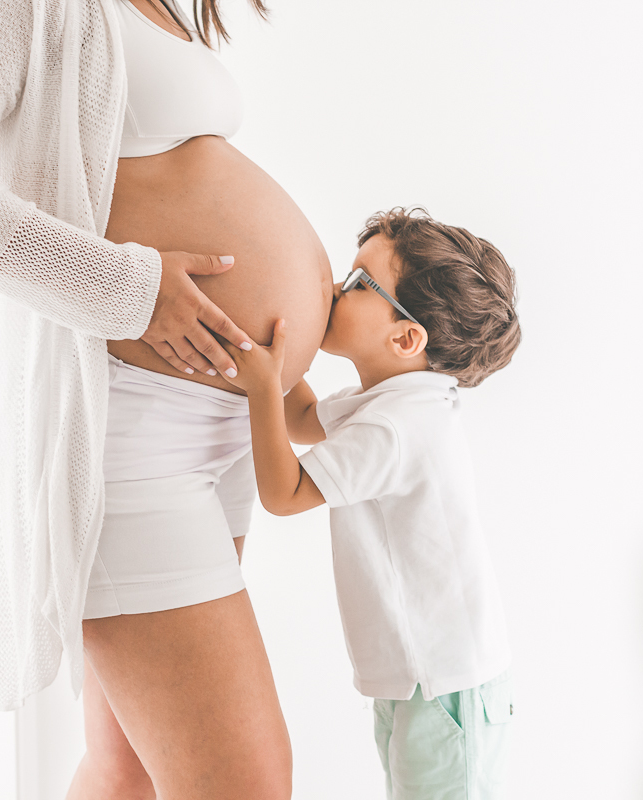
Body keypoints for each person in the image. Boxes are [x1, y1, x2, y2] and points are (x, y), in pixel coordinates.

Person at [0, 0, 333, 797]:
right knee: (242, 781)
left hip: (219, 421)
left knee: (128, 771)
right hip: (129, 426)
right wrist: (131, 290)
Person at [216, 207, 522, 799]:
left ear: (405, 338)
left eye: (359, 283)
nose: (334, 289)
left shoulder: (396, 427)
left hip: (444, 689)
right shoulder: (393, 400)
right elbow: (304, 419)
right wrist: (272, 350)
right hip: (424, 682)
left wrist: (260, 386)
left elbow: (285, 494)